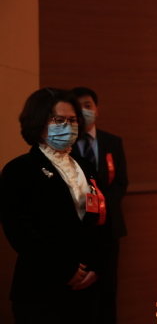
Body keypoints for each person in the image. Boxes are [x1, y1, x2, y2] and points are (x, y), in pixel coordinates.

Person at [0, 88, 109, 324]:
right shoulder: (19, 169)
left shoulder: (85, 166)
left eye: (73, 120)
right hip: (41, 288)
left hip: (85, 288)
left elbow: (100, 220)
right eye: (59, 120)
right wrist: (64, 269)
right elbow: (19, 232)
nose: (68, 126)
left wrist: (96, 266)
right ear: (38, 121)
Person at [71, 87, 129, 324]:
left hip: (110, 225)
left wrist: (101, 206)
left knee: (107, 287)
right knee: (80, 288)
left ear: (96, 109)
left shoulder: (112, 141)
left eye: (88, 105)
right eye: (79, 107)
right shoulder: (66, 143)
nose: (84, 111)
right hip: (77, 227)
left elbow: (121, 181)